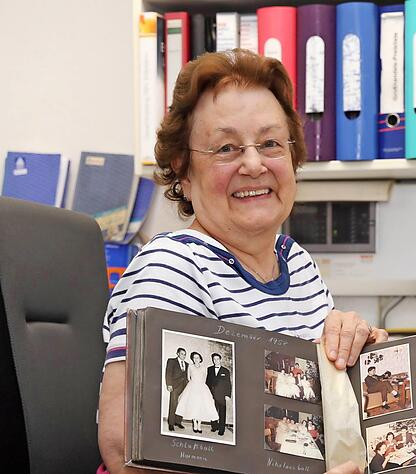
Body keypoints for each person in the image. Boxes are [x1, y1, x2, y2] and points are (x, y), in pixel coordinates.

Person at [97, 49, 388, 474]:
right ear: (183, 171)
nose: (254, 164)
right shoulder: (173, 266)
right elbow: (127, 455)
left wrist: (358, 355)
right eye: (226, 148)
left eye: (270, 143)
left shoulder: (296, 262)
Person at [175, 352, 219, 434]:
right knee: (194, 406)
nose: (196, 359)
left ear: (200, 358)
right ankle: (195, 423)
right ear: (193, 359)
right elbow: (188, 377)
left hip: (201, 388)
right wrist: (193, 384)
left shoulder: (204, 368)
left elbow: (204, 378)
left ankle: (199, 424)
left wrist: (200, 386)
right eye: (194, 358)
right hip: (192, 388)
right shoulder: (190, 367)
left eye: (197, 357)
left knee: (200, 406)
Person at [205, 353, 232, 435]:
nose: (216, 361)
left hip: (222, 395)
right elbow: (207, 382)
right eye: (214, 359)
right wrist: (207, 393)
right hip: (212, 394)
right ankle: (214, 426)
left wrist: (228, 395)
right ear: (212, 360)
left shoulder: (226, 371)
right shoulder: (209, 369)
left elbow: (228, 384)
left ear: (220, 360)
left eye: (217, 359)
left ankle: (221, 429)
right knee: (213, 410)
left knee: (222, 412)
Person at [164, 347, 189, 431]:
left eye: (185, 354)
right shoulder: (171, 361)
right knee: (173, 404)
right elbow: (168, 373)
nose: (183, 356)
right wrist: (169, 384)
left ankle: (178, 422)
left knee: (182, 404)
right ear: (178, 353)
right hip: (174, 386)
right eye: (182, 354)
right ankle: (171, 423)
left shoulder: (187, 364)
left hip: (184, 386)